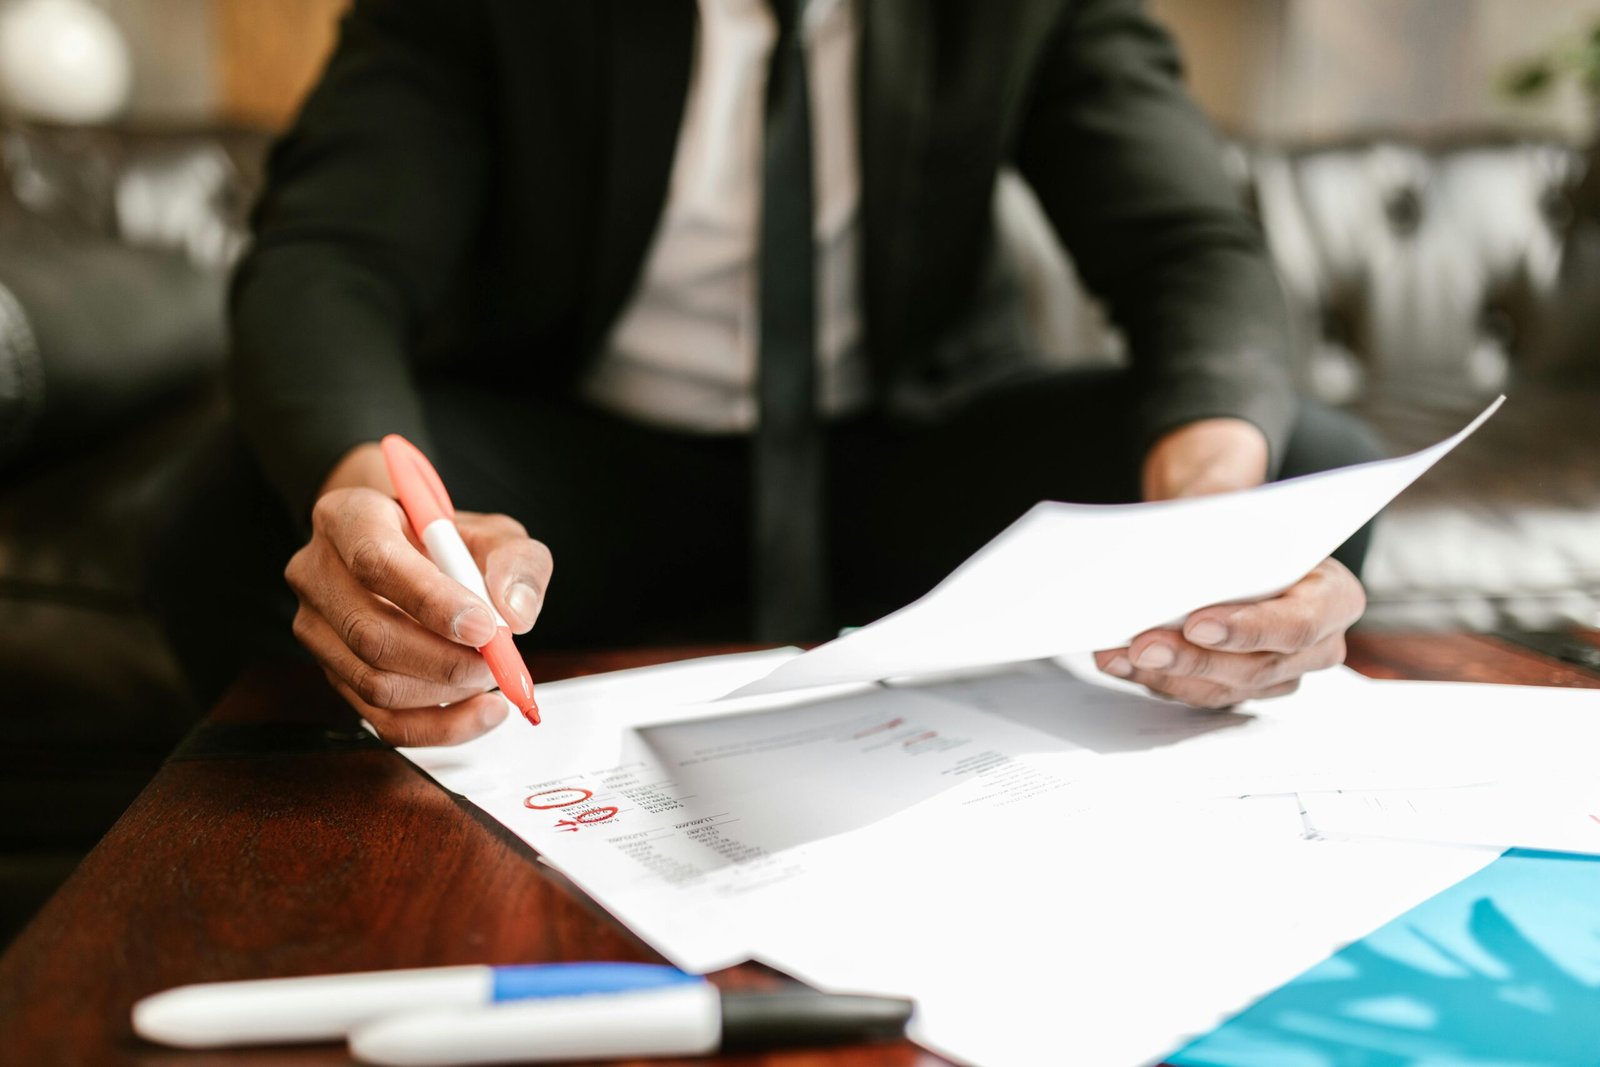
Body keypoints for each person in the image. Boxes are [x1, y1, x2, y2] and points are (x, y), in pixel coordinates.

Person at [154, 0, 1377, 747]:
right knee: (253, 505)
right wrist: (383, 505)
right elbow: (333, 257)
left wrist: (1209, 507)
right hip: (588, 469)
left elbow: (1184, 241)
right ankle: (392, 822)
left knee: (1300, 461)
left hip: (906, 457)